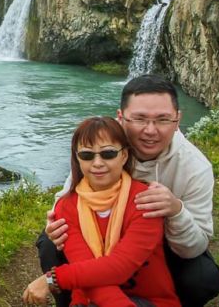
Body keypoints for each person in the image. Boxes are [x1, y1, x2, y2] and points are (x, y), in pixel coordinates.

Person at [37, 75, 219, 307]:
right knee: (50, 241)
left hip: (162, 246)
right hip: (100, 237)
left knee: (202, 278)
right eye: (139, 119)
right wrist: (54, 221)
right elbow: (69, 198)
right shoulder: (106, 147)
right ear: (121, 117)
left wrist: (176, 212)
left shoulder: (195, 167)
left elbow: (196, 246)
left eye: (163, 119)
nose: (150, 130)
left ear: (177, 120)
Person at [23, 117, 180, 307]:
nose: (97, 163)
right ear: (77, 158)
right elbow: (89, 274)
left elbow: (119, 268)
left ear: (124, 156)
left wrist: (53, 279)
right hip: (93, 298)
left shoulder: (145, 201)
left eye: (108, 154)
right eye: (87, 155)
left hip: (149, 301)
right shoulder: (66, 207)